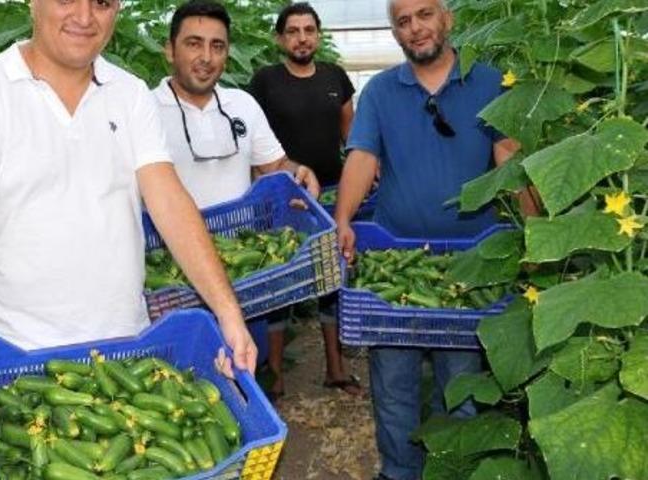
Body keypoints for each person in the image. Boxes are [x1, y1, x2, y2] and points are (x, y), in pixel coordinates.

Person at [0, 0, 257, 435]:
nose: (84, 17)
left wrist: (228, 311)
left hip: (131, 354)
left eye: (101, 3)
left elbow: (171, 204)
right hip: (24, 369)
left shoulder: (130, 93)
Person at [334, 1, 538, 478]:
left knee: (461, 379)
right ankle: (400, 471)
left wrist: (535, 232)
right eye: (402, 22)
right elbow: (362, 156)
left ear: (446, 17)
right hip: (395, 259)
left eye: (424, 14)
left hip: (472, 262)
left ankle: (455, 468)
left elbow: (510, 160)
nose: (415, 28)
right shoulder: (383, 91)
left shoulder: (490, 83)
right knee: (393, 383)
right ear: (396, 33)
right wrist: (343, 219)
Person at [249, 2, 359, 399]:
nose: (301, 38)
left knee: (331, 279)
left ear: (318, 34)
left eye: (308, 30)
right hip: (284, 198)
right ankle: (275, 377)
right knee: (281, 282)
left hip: (331, 193)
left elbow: (352, 135)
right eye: (292, 31)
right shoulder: (265, 81)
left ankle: (335, 368)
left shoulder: (335, 77)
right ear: (280, 38)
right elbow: (255, 142)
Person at [153, 0, 319, 210]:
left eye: (217, 46)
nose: (206, 57)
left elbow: (275, 165)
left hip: (241, 240)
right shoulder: (146, 110)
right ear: (170, 50)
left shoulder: (243, 104)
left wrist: (298, 173)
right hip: (169, 243)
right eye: (194, 44)